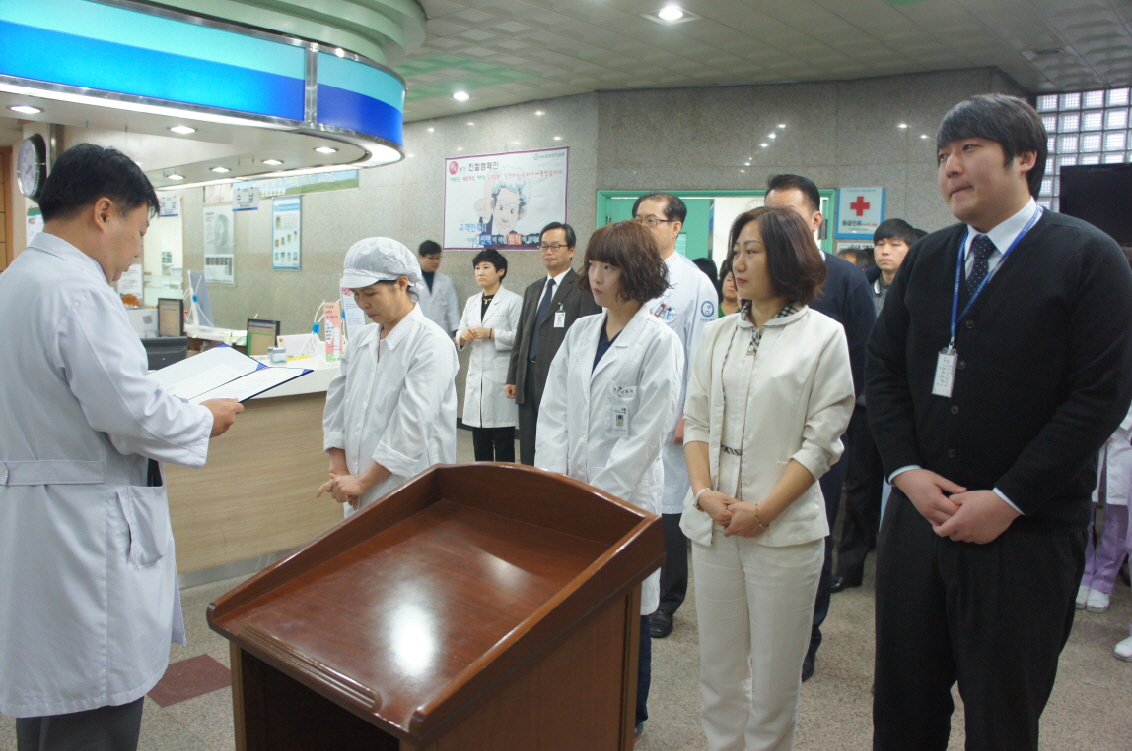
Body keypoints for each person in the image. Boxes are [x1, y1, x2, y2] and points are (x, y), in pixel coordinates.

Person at [867, 94, 1132, 750]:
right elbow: (884, 371)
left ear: (1025, 157)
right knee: (902, 708)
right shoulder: (929, 258)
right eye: (942, 156)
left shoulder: (1088, 257)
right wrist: (905, 471)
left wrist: (1010, 498)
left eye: (969, 149)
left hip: (1026, 535)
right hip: (919, 522)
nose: (951, 167)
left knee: (1002, 718)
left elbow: (1100, 396)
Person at [0, 144, 243, 750]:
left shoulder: (15, 281)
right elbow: (131, 414)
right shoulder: (78, 292)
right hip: (84, 536)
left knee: (49, 705)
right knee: (93, 706)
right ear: (104, 213)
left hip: (37, 527)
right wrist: (202, 418)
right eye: (138, 231)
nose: (137, 252)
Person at [681, 206, 855, 751]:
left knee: (776, 678)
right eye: (735, 251)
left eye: (751, 251)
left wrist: (764, 511)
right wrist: (703, 494)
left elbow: (822, 441)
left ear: (785, 257)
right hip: (714, 526)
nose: (737, 263)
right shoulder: (716, 334)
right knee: (719, 669)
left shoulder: (823, 336)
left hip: (783, 531)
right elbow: (696, 422)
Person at [535, 220, 682, 742]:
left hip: (625, 499)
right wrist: (556, 483)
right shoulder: (580, 332)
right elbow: (553, 412)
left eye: (609, 267)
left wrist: (601, 497)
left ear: (635, 271)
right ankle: (581, 697)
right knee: (575, 605)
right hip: (571, 493)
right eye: (593, 265)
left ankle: (630, 713)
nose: (596, 277)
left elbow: (649, 432)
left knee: (629, 607)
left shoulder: (658, 341)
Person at [764, 173, 875, 680]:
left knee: (810, 536)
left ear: (815, 220)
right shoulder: (760, 273)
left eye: (788, 215)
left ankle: (805, 638)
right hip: (761, 435)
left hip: (819, 440)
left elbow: (864, 362)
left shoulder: (845, 279)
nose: (777, 226)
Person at [632, 192, 719, 640]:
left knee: (668, 510)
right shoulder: (629, 273)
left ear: (675, 227)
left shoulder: (694, 284)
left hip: (672, 418)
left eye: (652, 220)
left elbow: (702, 356)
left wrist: (690, 415)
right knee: (632, 501)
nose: (643, 227)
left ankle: (666, 601)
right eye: (638, 219)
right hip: (629, 412)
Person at [320, 238, 459, 515]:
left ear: (402, 284)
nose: (362, 304)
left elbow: (412, 425)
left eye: (370, 294)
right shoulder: (362, 340)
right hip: (358, 482)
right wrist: (339, 467)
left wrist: (364, 481)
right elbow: (337, 405)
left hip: (410, 483)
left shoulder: (431, 343)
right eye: (356, 294)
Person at [833, 218, 926, 591]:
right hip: (862, 403)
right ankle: (850, 566)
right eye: (881, 244)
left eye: (895, 244)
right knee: (860, 487)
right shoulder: (861, 286)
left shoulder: (921, 287)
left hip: (905, 406)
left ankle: (898, 568)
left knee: (905, 487)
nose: (886, 251)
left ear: (910, 249)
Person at [505, 222, 601, 465]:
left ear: (571, 250)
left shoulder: (584, 288)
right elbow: (522, 335)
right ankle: (529, 481)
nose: (548, 252)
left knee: (556, 440)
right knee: (528, 441)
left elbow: (588, 340)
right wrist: (513, 376)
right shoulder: (533, 289)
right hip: (528, 376)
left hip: (560, 377)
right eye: (544, 246)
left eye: (556, 246)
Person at [456, 248, 522, 462]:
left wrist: (492, 333)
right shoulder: (472, 301)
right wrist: (463, 336)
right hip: (477, 376)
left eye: (486, 267)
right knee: (479, 439)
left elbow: (520, 337)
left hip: (500, 377)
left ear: (500, 271)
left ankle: (504, 480)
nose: (480, 272)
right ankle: (481, 479)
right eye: (477, 268)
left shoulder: (513, 301)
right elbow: (459, 332)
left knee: (503, 440)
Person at [415, 240, 460, 337]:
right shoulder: (411, 281)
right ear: (421, 257)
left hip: (441, 332)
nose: (436, 261)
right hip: (417, 332)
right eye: (431, 258)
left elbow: (452, 310)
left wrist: (456, 332)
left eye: (438, 258)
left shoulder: (446, 281)